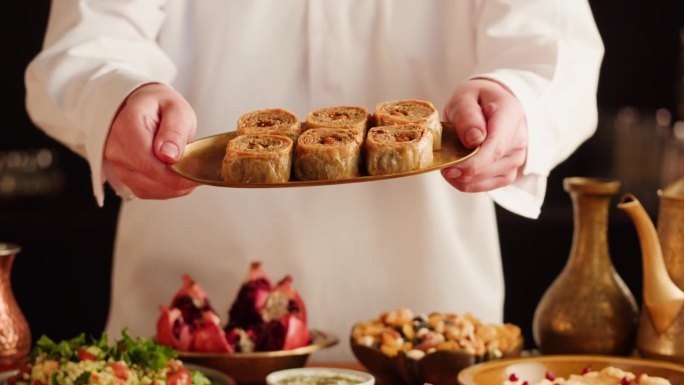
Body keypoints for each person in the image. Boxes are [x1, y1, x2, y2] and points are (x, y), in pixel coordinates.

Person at [25, 1, 603, 360]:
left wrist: (517, 101)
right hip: (191, 333)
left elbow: (556, 48)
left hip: (428, 339)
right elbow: (85, 42)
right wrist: (117, 95)